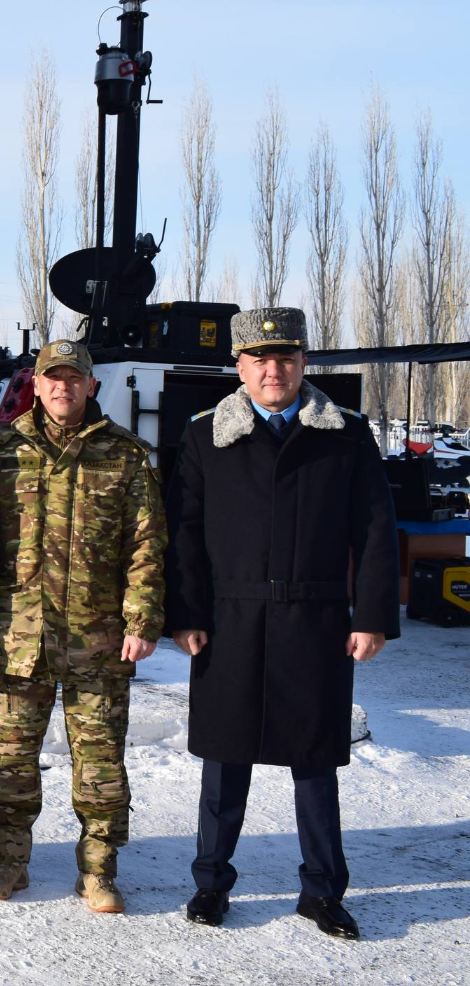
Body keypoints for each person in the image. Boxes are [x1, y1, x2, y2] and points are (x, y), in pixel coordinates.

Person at [166, 307, 399, 940]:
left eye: (287, 359)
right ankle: (211, 882)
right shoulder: (204, 434)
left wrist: (372, 615)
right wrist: (185, 614)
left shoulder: (345, 433)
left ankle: (322, 891)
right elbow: (183, 532)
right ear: (239, 366)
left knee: (316, 763)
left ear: (302, 364)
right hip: (230, 619)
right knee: (225, 760)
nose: (274, 370)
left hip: (316, 618)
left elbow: (376, 528)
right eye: (260, 359)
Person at [0, 339, 166, 913]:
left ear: (91, 386)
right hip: (15, 635)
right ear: (37, 384)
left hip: (99, 638)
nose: (63, 387)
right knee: (10, 758)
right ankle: (8, 863)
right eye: (52, 377)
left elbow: (147, 544)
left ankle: (98, 871)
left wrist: (142, 618)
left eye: (74, 378)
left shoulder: (127, 456)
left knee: (101, 762)